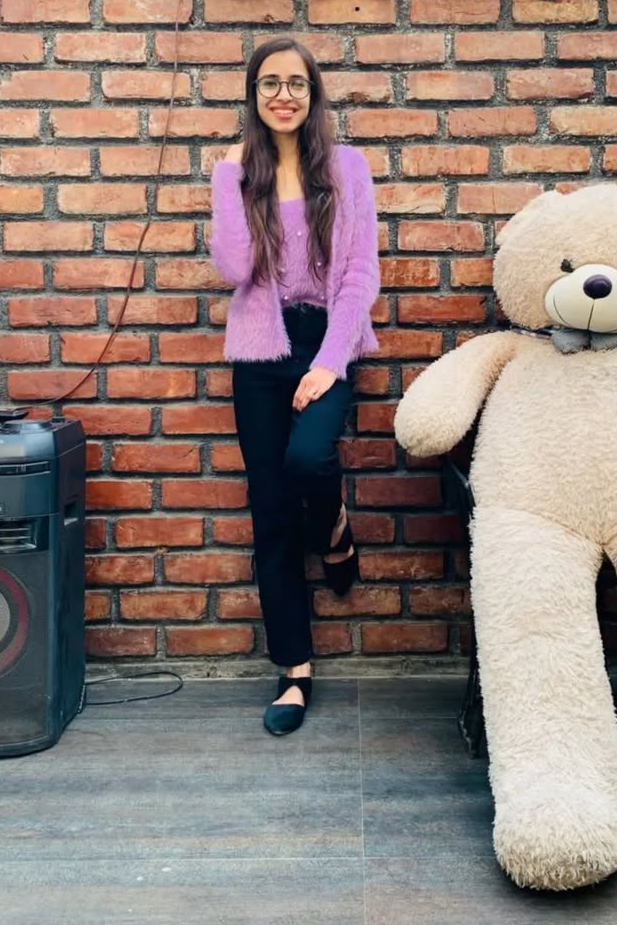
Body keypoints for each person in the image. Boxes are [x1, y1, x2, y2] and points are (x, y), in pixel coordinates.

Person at [209, 37, 381, 736]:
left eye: (297, 84)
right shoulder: (240, 173)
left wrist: (330, 362)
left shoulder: (346, 168)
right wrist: (226, 176)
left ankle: (334, 528)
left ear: (313, 94)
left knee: (310, 458)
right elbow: (233, 269)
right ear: (254, 95)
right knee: (271, 512)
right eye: (270, 84)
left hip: (325, 341)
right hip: (259, 353)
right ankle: (294, 672)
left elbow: (360, 274)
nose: (284, 95)